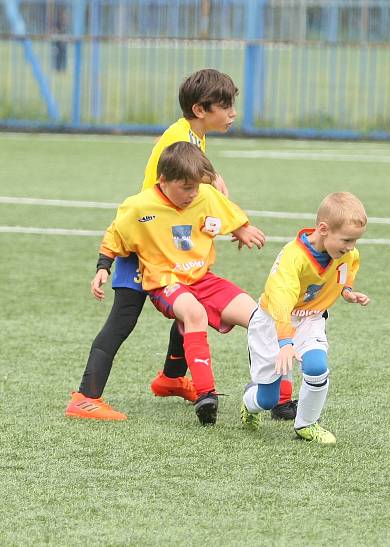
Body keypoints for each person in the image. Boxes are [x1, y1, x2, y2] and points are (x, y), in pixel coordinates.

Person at [65, 69, 294, 420]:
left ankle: (172, 378)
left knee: (189, 307)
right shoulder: (178, 137)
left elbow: (195, 185)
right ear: (201, 109)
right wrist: (105, 264)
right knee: (122, 321)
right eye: (225, 106)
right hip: (144, 248)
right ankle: (85, 397)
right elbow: (159, 197)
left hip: (168, 248)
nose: (232, 113)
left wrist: (216, 186)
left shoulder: (192, 136)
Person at [79, 142, 264, 424]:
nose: (192, 194)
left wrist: (243, 228)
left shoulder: (205, 194)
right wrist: (103, 267)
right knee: (191, 313)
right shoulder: (139, 206)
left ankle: (276, 397)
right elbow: (114, 236)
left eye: (196, 188)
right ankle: (206, 395)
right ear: (163, 180)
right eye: (185, 187)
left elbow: (226, 211)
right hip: (165, 281)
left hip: (203, 278)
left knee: (258, 317)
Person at [240, 192, 370, 445]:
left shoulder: (347, 254)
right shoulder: (293, 257)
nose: (351, 247)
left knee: (316, 366)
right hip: (273, 322)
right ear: (323, 229)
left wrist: (347, 291)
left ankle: (306, 425)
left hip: (310, 319)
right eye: (346, 240)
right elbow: (281, 302)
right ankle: (249, 402)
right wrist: (285, 343)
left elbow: (349, 267)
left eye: (355, 241)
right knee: (267, 399)